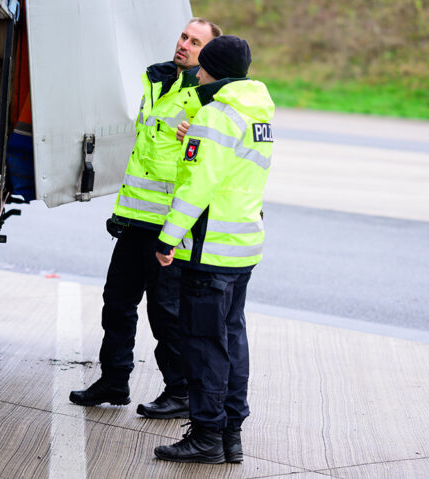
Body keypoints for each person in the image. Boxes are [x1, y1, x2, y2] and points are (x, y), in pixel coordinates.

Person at [69, 18, 222, 420]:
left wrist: (197, 135)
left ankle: (179, 391)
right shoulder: (157, 83)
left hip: (170, 227)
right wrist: (121, 214)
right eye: (184, 36)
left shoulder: (207, 100)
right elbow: (143, 157)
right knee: (117, 303)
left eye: (195, 42)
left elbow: (211, 164)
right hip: (135, 220)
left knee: (165, 314)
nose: (185, 44)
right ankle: (114, 380)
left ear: (207, 54)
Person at [153, 35, 274, 463]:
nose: (197, 73)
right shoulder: (257, 114)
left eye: (202, 67)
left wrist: (168, 238)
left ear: (214, 71)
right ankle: (230, 436)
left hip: (210, 251)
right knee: (233, 339)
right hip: (242, 248)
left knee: (204, 344)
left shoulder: (217, 115)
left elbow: (198, 185)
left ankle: (206, 436)